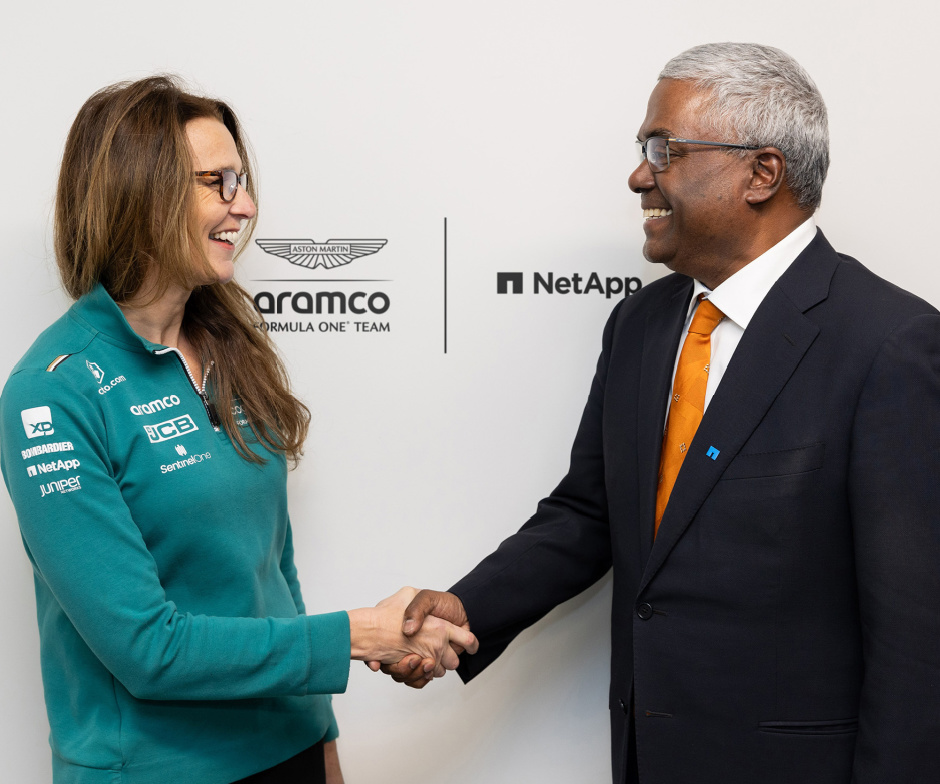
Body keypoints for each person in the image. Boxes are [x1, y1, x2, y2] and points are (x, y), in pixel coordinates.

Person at [377, 43, 940, 783]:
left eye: (663, 149)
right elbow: (589, 513)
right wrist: (463, 607)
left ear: (761, 173)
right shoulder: (641, 323)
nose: (640, 174)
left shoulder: (889, 343)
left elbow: (918, 640)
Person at [0, 76, 477, 784]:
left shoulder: (227, 346)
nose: (244, 206)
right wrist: (357, 634)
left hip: (288, 748)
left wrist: (322, 736)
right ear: (141, 192)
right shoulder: (52, 393)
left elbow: (271, 575)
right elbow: (146, 648)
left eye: (243, 181)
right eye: (216, 183)